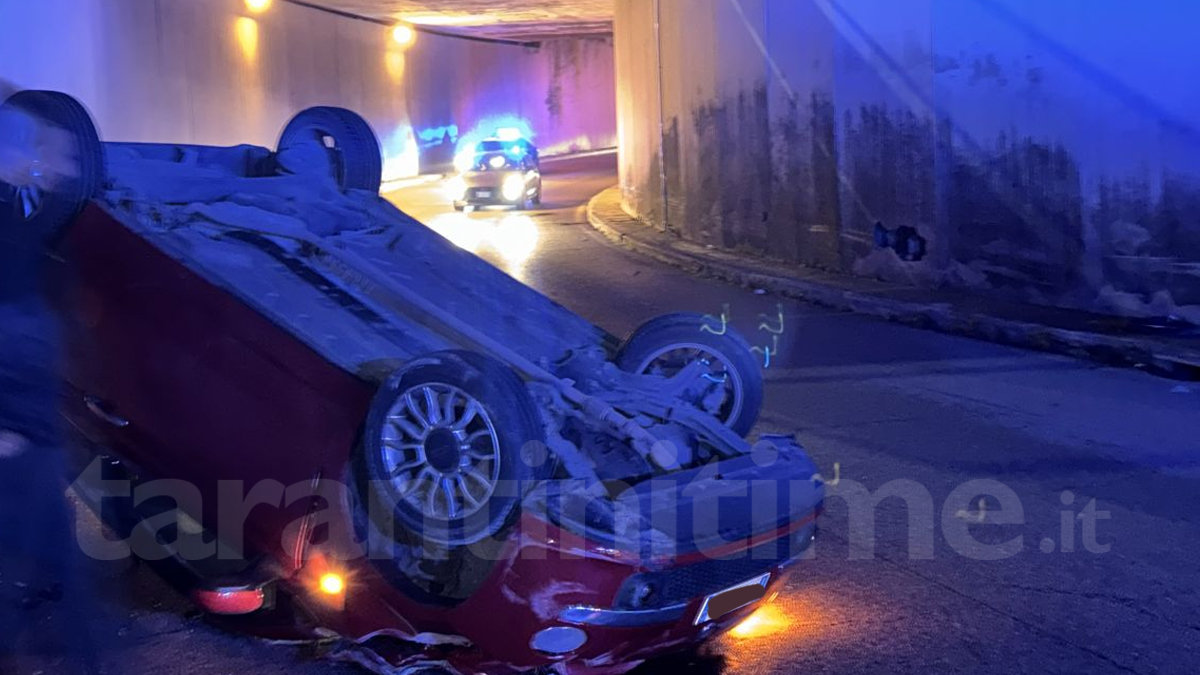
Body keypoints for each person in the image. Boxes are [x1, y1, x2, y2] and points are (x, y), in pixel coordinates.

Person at [0, 82, 101, 675]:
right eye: (55, 153)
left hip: (35, 430)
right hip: (15, 435)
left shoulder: (22, 212)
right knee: (49, 571)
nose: (66, 168)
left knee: (52, 571)